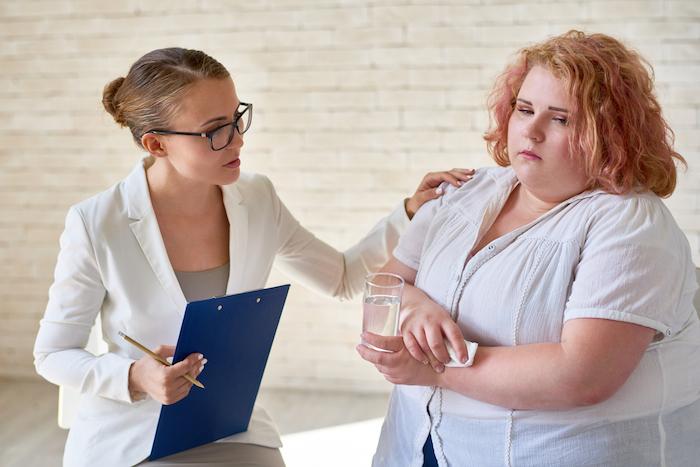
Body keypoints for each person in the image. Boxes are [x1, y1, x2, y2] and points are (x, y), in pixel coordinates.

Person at [32, 47, 474, 467]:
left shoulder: (256, 198)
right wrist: (135, 376)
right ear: (156, 145)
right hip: (131, 436)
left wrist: (409, 212)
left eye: (237, 119)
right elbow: (54, 354)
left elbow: (341, 277)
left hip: (229, 426)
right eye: (214, 131)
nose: (237, 141)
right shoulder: (96, 222)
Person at [357, 30, 700, 466]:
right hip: (418, 443)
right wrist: (415, 308)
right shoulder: (468, 191)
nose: (531, 131)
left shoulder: (630, 224)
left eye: (561, 119)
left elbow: (582, 375)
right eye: (525, 109)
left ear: (610, 134)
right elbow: (390, 282)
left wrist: (434, 369)